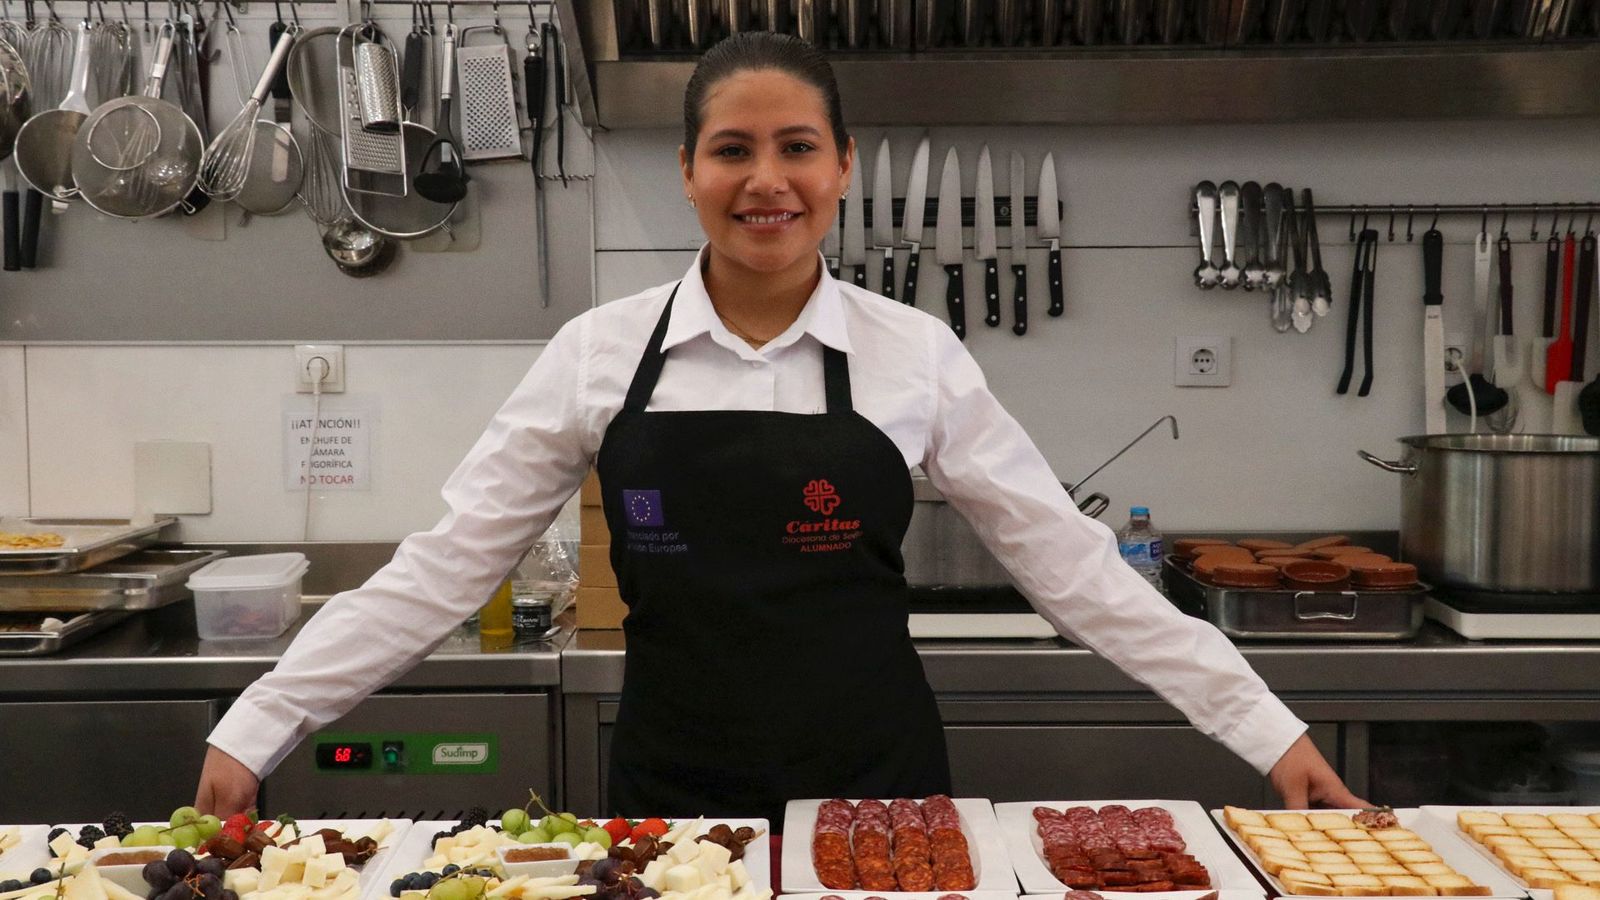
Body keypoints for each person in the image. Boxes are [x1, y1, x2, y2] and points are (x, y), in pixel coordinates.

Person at [196, 31, 1364, 824]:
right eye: (733, 149)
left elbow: (1073, 569)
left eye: (797, 147)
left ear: (842, 165)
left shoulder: (915, 354)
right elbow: (447, 566)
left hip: (879, 795)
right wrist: (263, 719)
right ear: (690, 170)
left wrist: (1265, 730)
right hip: (670, 796)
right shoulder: (598, 354)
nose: (768, 180)